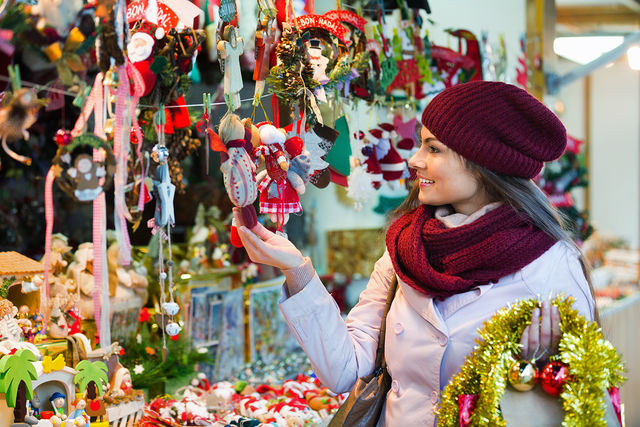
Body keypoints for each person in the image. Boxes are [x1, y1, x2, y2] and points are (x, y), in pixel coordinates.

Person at [234, 81, 595, 426]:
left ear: (484, 164)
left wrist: (540, 370)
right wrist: (297, 271)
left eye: (433, 148)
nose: (414, 160)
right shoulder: (404, 250)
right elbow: (345, 370)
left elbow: (587, 398)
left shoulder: (552, 265)